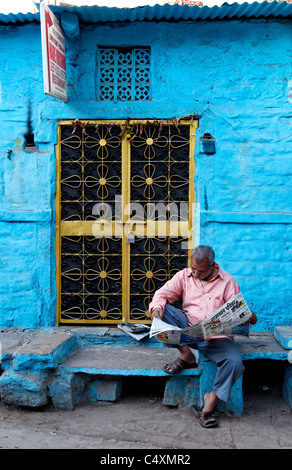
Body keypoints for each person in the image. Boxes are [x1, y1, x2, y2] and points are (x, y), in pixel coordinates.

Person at [149, 245, 257, 428]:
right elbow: (162, 293)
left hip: (216, 338)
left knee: (235, 362)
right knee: (163, 310)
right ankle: (186, 355)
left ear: (213, 265)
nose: (196, 274)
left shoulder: (228, 282)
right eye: (193, 269)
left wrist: (248, 316)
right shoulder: (184, 275)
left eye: (201, 271)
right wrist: (157, 308)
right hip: (189, 330)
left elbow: (239, 311)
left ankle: (210, 402)